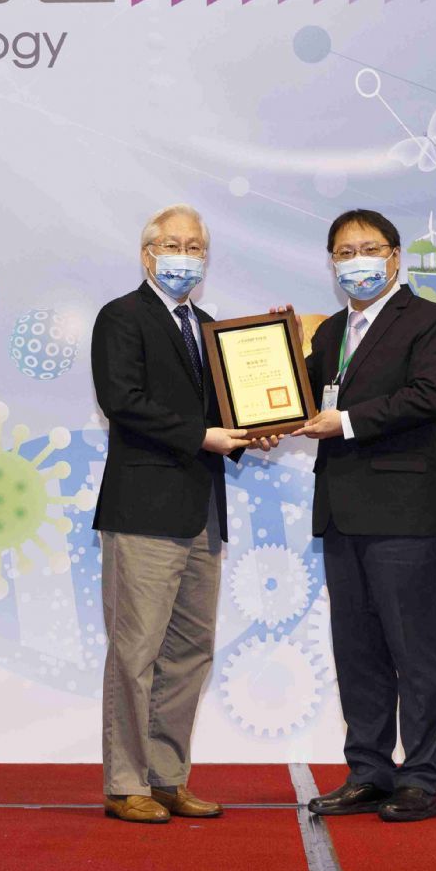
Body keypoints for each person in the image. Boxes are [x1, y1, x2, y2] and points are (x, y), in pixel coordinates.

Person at [89, 205, 278, 823]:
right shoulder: (121, 317)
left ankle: (167, 778)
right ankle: (125, 783)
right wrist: (202, 436)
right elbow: (122, 400)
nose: (185, 255)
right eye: (173, 244)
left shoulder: (211, 328)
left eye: (195, 246)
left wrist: (258, 429)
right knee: (136, 650)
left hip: (203, 512)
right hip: (144, 511)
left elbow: (230, 413)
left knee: (191, 650)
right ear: (148, 254)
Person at [292, 208, 436, 823]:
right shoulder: (330, 332)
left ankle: (418, 778)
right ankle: (368, 771)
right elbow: (300, 400)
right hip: (341, 511)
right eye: (343, 252)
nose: (356, 261)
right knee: (356, 651)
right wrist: (274, 364)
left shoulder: (431, 320)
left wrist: (347, 422)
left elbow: (430, 396)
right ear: (331, 263)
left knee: (414, 650)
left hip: (403, 513)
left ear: (394, 256)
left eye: (368, 249)